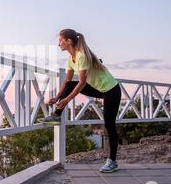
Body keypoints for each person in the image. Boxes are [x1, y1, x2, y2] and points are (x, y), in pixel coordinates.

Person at [40, 29, 122, 173]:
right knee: (70, 84)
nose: (59, 44)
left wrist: (65, 100)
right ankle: (56, 115)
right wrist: (58, 97)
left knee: (109, 125)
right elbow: (67, 80)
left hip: (111, 90)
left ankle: (112, 161)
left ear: (69, 41)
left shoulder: (81, 56)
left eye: (60, 40)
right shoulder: (71, 59)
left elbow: (82, 83)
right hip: (100, 89)